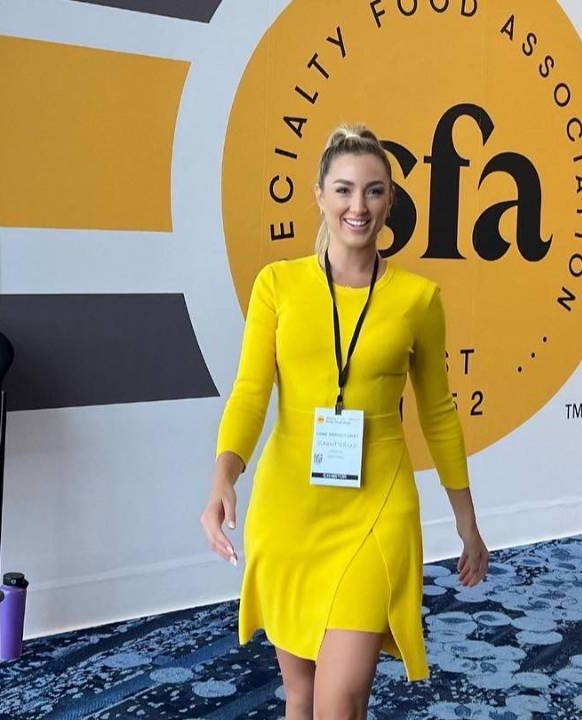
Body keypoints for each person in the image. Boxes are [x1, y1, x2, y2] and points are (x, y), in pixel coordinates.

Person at [201, 124, 490, 720]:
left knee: (341, 701)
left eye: (373, 191)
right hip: (290, 511)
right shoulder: (277, 285)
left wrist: (467, 522)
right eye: (344, 189)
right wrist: (223, 479)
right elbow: (251, 394)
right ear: (319, 195)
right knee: (302, 698)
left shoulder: (418, 298)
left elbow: (438, 413)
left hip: (376, 510)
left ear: (390, 200)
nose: (358, 206)